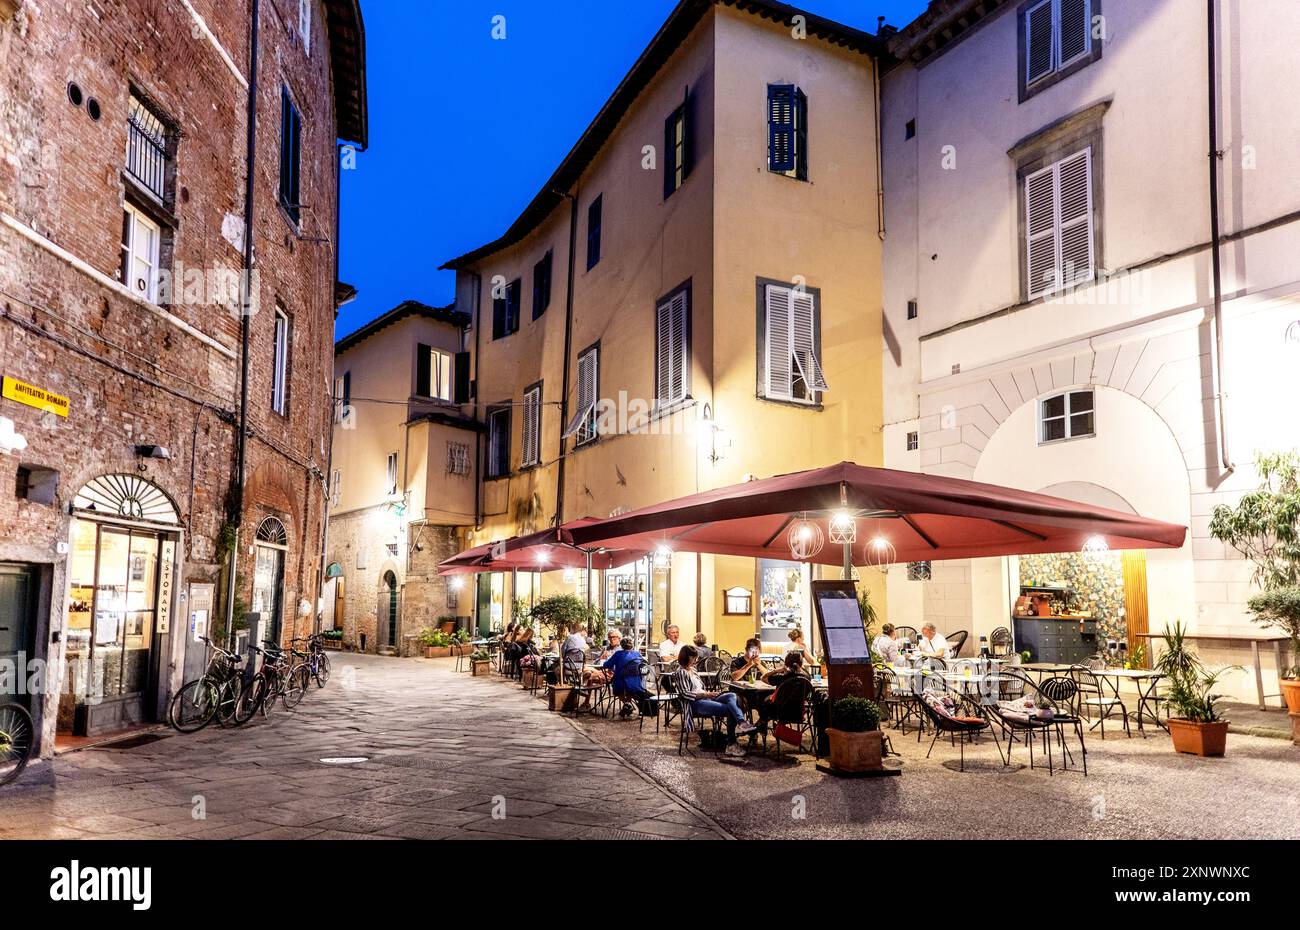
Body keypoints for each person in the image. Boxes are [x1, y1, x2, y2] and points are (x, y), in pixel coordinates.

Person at [672, 644, 756, 757]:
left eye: (696, 658)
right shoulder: (681, 672)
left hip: (705, 697)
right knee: (730, 709)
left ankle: (741, 722)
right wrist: (706, 694)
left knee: (731, 695)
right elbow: (685, 693)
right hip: (695, 703)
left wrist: (708, 694)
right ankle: (731, 744)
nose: (695, 661)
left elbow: (700, 688)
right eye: (693, 658)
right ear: (685, 657)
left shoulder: (693, 670)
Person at [603, 638, 648, 716]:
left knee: (618, 689)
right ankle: (627, 704)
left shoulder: (618, 654)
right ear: (632, 645)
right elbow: (644, 664)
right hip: (637, 682)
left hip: (621, 682)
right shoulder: (637, 654)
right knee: (629, 687)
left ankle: (627, 704)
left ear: (621, 645)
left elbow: (606, 665)